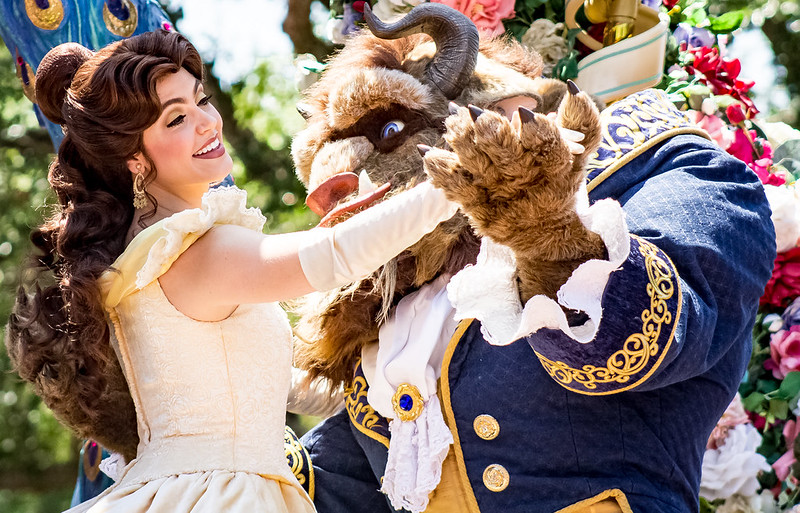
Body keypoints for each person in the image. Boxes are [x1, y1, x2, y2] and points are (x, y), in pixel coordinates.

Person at [4, 29, 458, 512]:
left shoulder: (142, 259)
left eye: (201, 100)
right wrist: (462, 177)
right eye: (177, 118)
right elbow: (335, 256)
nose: (207, 123)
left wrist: (392, 372)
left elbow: (267, 390)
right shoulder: (192, 249)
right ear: (133, 158)